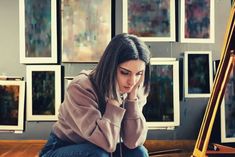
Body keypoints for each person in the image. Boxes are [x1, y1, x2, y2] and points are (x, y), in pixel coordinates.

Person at [39, 33, 151, 157]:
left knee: (139, 153)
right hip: (62, 147)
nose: (132, 81)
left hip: (104, 147)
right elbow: (106, 143)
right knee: (98, 154)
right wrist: (113, 101)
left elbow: (133, 142)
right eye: (125, 73)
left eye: (139, 73)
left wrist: (132, 100)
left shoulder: (134, 88)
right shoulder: (80, 87)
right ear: (110, 67)